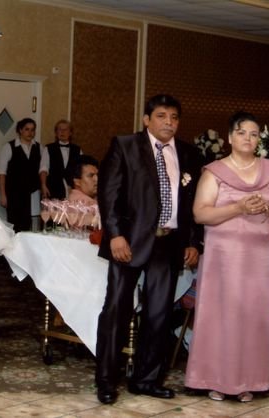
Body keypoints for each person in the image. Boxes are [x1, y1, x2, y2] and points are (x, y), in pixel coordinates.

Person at [95, 94, 204, 404]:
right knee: (117, 310)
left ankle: (146, 379)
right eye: (161, 116)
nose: (169, 122)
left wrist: (193, 241)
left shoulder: (189, 153)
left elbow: (192, 203)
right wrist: (115, 235)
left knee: (159, 314)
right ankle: (106, 381)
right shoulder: (125, 145)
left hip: (168, 243)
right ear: (146, 119)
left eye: (174, 117)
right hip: (128, 242)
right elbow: (109, 194)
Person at [184, 111, 269, 402]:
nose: (248, 138)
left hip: (258, 257)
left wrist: (266, 207)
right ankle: (215, 379)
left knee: (253, 316)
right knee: (222, 315)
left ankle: (250, 380)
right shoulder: (214, 172)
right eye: (242, 133)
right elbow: (200, 213)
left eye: (254, 134)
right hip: (223, 257)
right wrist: (238, 208)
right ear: (230, 137)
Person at [0, 117, 42, 232]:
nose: (30, 132)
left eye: (32, 130)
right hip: (14, 194)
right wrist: (3, 195)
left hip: (33, 194)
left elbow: (42, 170)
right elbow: (2, 173)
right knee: (15, 226)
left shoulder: (39, 147)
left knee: (32, 226)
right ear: (20, 130)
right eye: (27, 129)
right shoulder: (9, 147)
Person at [39, 119, 82, 199]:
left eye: (65, 129)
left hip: (72, 189)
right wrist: (43, 185)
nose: (62, 132)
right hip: (53, 188)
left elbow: (81, 170)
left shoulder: (78, 150)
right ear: (56, 133)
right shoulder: (48, 148)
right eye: (60, 129)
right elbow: (43, 168)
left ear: (70, 133)